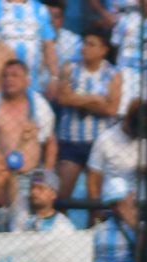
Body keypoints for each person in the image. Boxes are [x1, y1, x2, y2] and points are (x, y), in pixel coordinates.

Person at [49, 24, 120, 200]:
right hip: (70, 141)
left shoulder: (113, 74)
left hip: (98, 143)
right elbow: (63, 98)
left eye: (91, 44)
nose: (84, 48)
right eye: (84, 43)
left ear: (103, 50)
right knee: (61, 196)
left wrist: (77, 99)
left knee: (95, 198)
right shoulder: (69, 68)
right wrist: (96, 99)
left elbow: (111, 109)